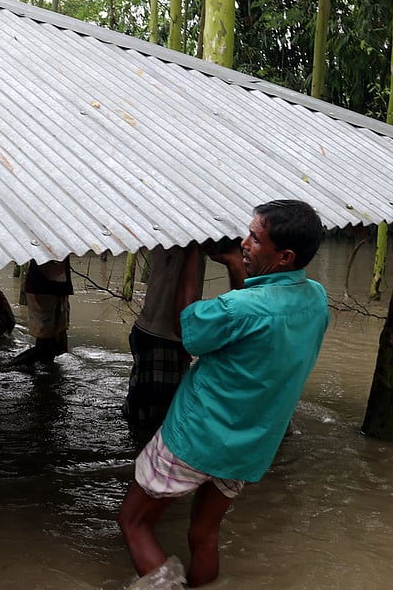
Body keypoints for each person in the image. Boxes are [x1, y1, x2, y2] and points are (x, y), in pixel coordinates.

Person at [118, 200, 329, 587]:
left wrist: (188, 256)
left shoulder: (239, 309)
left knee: (133, 522)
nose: (245, 242)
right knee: (204, 535)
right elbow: (249, 321)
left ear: (284, 256)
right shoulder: (315, 298)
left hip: (196, 436)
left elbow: (189, 329)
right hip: (247, 447)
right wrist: (235, 265)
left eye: (255, 238)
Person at [122, 241, 243, 434]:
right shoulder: (178, 237)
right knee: (155, 418)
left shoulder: (192, 239)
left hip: (166, 331)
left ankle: (141, 453)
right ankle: (143, 453)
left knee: (153, 412)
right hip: (161, 332)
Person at [11, 257, 73, 365]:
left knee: (55, 344)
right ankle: (9, 367)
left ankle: (45, 372)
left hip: (55, 287)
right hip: (43, 290)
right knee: (45, 345)